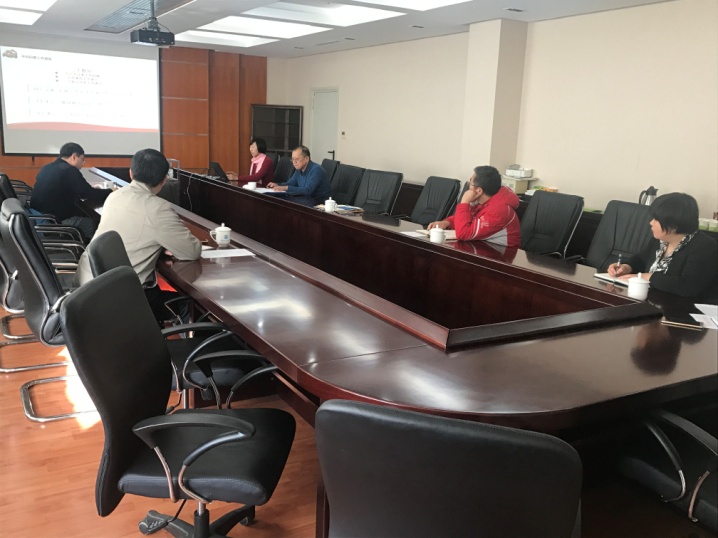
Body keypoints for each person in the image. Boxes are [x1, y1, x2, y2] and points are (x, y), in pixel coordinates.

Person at [76, 148, 201, 322]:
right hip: (121, 301)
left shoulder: (114, 196)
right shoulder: (158, 208)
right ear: (164, 179)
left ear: (131, 173)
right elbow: (191, 251)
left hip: (86, 288)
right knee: (192, 306)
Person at [608, 193, 718, 302]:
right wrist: (626, 267)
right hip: (651, 301)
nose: (651, 222)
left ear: (673, 225)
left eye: (656, 219)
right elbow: (641, 260)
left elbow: (688, 286)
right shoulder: (660, 240)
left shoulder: (704, 247)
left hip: (683, 308)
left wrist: (648, 277)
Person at [29, 142, 112, 241]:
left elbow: (80, 190)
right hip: (52, 222)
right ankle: (84, 249)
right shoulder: (69, 170)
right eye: (82, 159)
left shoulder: (47, 167)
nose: (82, 164)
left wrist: (93, 190)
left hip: (36, 217)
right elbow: (88, 194)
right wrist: (111, 191)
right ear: (74, 156)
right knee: (91, 223)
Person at [428, 165, 521, 248]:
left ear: (479, 191)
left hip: (500, 256)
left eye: (470, 183)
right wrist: (447, 223)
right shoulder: (483, 201)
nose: (468, 186)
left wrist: (464, 203)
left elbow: (463, 233)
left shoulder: (499, 211)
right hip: (480, 247)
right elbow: (466, 219)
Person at [266, 145, 330, 207]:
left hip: (319, 204)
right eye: (292, 159)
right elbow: (291, 183)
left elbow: (308, 191)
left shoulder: (316, 170)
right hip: (305, 200)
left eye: (297, 159)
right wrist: (277, 185)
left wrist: (285, 188)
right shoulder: (299, 169)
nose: (294, 162)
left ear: (306, 159)